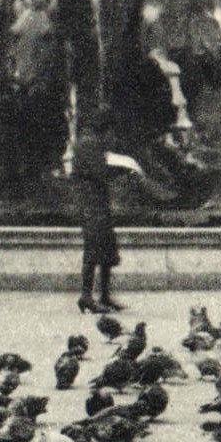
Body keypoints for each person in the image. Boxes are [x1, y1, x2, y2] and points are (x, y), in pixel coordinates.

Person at [72, 105, 122, 314]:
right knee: (93, 249)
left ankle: (104, 295)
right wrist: (121, 169)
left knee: (105, 247)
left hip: (95, 201)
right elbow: (99, 172)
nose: (113, 135)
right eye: (111, 130)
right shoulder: (89, 143)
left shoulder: (90, 141)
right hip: (91, 203)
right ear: (106, 127)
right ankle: (86, 295)